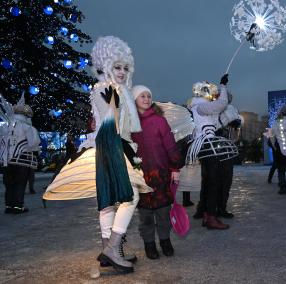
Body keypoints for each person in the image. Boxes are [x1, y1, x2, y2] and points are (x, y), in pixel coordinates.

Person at [91, 36, 151, 273]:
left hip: (118, 145)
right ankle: (113, 247)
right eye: (117, 67)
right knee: (129, 196)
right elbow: (109, 121)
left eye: (126, 68)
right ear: (106, 66)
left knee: (110, 201)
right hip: (111, 147)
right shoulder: (104, 89)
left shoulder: (120, 91)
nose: (123, 72)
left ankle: (109, 249)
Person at [131, 85, 182, 260]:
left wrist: (175, 167)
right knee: (145, 215)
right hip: (141, 176)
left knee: (163, 212)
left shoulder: (160, 120)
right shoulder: (129, 123)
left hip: (160, 174)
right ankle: (149, 244)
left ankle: (165, 241)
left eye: (148, 95)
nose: (146, 98)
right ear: (134, 100)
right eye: (142, 96)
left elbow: (170, 145)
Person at [187, 75, 238, 230]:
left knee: (211, 183)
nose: (213, 94)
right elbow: (221, 104)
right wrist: (223, 86)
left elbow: (215, 123)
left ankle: (208, 215)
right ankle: (211, 217)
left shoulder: (202, 108)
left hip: (209, 147)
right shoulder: (200, 105)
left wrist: (229, 119)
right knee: (213, 183)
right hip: (208, 147)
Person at [2, 96, 40, 214]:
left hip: (6, 161)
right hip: (22, 160)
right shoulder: (27, 127)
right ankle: (18, 206)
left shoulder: (5, 126)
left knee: (9, 184)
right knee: (20, 183)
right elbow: (34, 142)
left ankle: (9, 206)